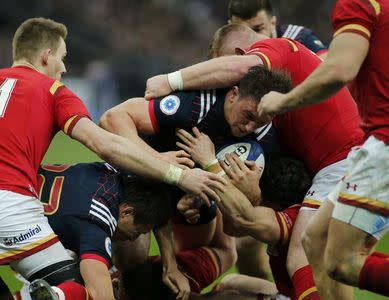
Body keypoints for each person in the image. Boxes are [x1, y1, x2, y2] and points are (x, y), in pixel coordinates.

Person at [0, 17, 225, 300]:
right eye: (62, 57)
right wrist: (176, 173)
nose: (65, 67)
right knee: (77, 288)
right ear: (46, 57)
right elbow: (104, 144)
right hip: (11, 205)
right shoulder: (54, 92)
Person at [144, 23, 364, 299]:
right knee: (234, 284)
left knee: (302, 252)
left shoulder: (277, 50)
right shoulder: (268, 125)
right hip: (335, 162)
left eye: (220, 65)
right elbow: (236, 224)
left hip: (342, 158)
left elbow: (244, 220)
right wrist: (205, 196)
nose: (223, 86)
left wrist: (171, 81)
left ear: (239, 53)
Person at [255, 0, 389, 299]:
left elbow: (340, 70)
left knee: (343, 261)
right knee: (315, 241)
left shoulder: (361, 3)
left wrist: (281, 101)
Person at [176, 128, 314, 300]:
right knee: (231, 282)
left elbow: (238, 221)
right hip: (289, 291)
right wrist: (204, 195)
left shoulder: (294, 221)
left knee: (226, 297)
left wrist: (210, 163)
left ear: (272, 205)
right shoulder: (295, 204)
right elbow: (235, 226)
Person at [15, 162, 173, 300]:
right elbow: (103, 297)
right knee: (78, 284)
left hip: (13, 179)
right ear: (127, 212)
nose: (133, 239)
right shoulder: (97, 223)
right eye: (137, 231)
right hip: (11, 219)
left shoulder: (113, 171)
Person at [100, 65, 292, 170]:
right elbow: (112, 118)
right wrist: (157, 160)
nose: (250, 127)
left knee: (222, 232)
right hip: (143, 175)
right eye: (248, 115)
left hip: (193, 190)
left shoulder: (266, 140)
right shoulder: (195, 106)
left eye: (260, 122)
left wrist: (251, 190)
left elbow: (254, 206)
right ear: (234, 94)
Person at [227, 0, 328, 58]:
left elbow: (327, 64)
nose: (250, 38)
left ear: (273, 22)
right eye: (241, 30)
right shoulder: (224, 47)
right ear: (230, 27)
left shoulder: (298, 38)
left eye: (257, 29)